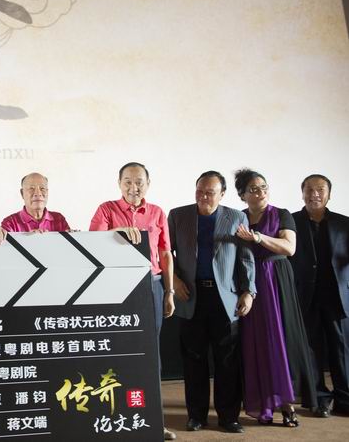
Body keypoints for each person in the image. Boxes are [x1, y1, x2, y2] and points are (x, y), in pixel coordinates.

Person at [89, 162, 176, 441]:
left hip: (152, 285)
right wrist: (120, 232)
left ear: (148, 184)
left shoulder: (157, 212)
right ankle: (116, 418)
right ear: (119, 183)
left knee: (151, 352)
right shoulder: (106, 209)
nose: (133, 187)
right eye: (127, 181)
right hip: (117, 287)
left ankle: (155, 420)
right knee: (118, 349)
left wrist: (170, 291)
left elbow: (165, 254)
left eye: (139, 182)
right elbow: (93, 242)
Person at [168, 170, 255, 434]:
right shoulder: (178, 215)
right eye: (199, 191)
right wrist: (174, 280)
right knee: (193, 359)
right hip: (190, 296)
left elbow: (246, 257)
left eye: (210, 192)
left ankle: (229, 417)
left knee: (227, 360)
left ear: (222, 194)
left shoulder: (236, 217)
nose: (203, 196)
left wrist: (248, 292)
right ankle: (196, 416)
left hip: (225, 298)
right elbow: (165, 252)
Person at [234, 168, 316, 426]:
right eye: (253, 189)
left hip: (276, 280)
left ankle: (287, 405)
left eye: (264, 187)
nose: (261, 192)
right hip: (248, 282)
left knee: (279, 340)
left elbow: (289, 248)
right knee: (255, 343)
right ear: (242, 195)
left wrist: (258, 237)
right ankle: (263, 404)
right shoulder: (238, 218)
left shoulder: (281, 214)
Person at [290, 174, 349, 417]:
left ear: (329, 194)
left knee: (341, 347)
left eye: (320, 189)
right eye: (309, 189)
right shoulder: (291, 221)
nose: (315, 194)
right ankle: (319, 399)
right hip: (305, 295)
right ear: (302, 193)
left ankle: (345, 398)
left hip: (338, 296)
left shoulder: (344, 223)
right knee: (311, 348)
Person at [1, 172, 70, 232]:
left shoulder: (59, 219)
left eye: (42, 188)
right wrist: (30, 239)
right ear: (22, 193)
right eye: (31, 188)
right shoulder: (10, 223)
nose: (38, 193)